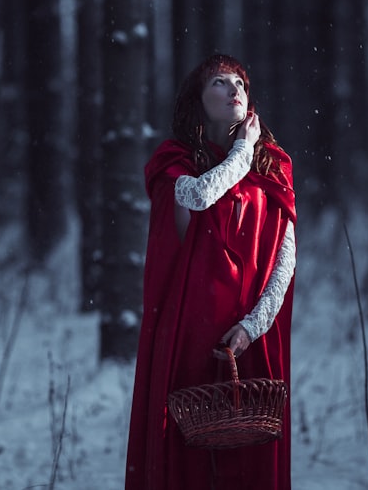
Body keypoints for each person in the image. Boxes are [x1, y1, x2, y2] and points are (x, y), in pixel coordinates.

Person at [125, 54, 297, 489]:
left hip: (251, 335)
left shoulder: (273, 166)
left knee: (250, 458)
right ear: (197, 100)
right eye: (220, 82)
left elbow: (285, 260)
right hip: (190, 329)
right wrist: (242, 151)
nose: (235, 88)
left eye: (240, 81)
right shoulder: (175, 164)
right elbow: (200, 197)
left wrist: (251, 326)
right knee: (187, 457)